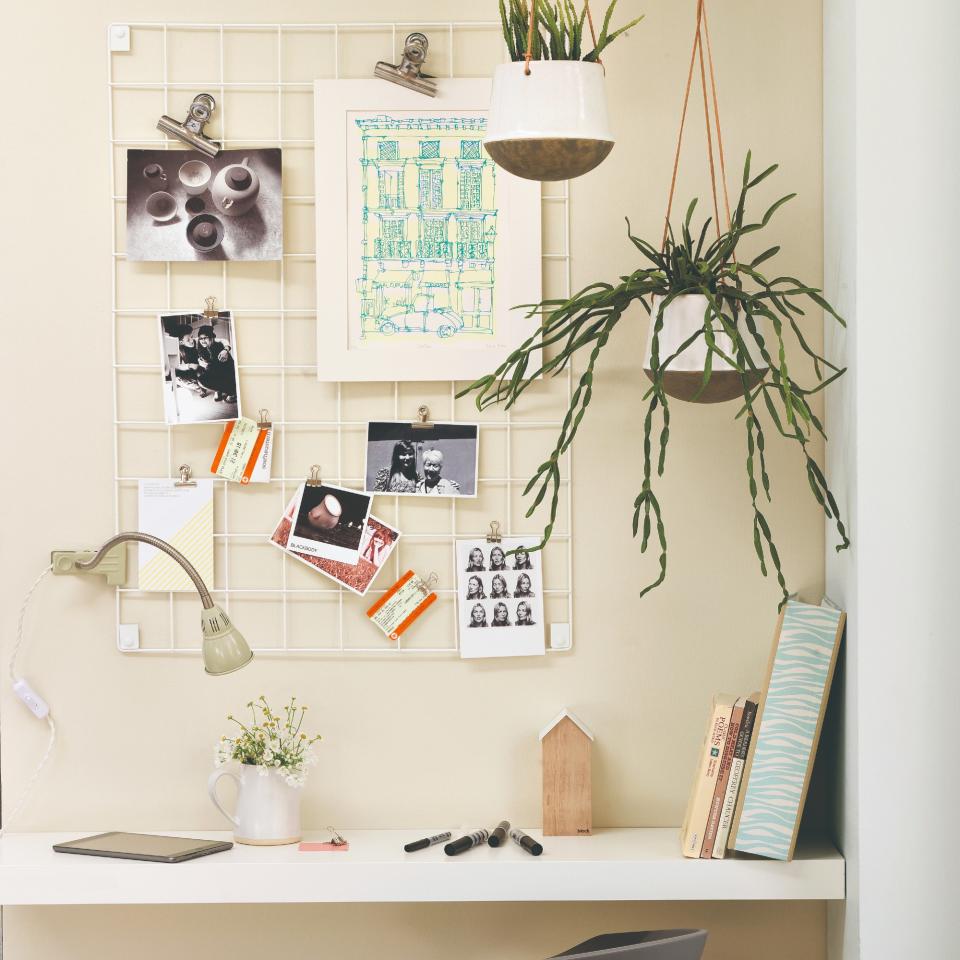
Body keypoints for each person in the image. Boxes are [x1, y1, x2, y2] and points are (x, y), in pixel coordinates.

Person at [196, 325, 237, 403]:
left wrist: (226, 349)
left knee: (210, 372)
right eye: (200, 338)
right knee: (201, 378)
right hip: (217, 372)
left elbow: (223, 368)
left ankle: (232, 391)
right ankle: (220, 390)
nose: (202, 340)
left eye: (205, 338)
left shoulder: (219, 346)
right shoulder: (202, 348)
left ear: (211, 337)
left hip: (228, 373)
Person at [173, 329, 208, 397]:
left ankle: (206, 385)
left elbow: (221, 341)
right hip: (192, 369)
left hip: (203, 368)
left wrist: (226, 349)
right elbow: (177, 365)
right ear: (181, 342)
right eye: (188, 340)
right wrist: (189, 365)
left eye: (192, 337)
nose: (192, 340)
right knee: (176, 378)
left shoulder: (198, 341)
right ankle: (199, 388)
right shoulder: (179, 350)